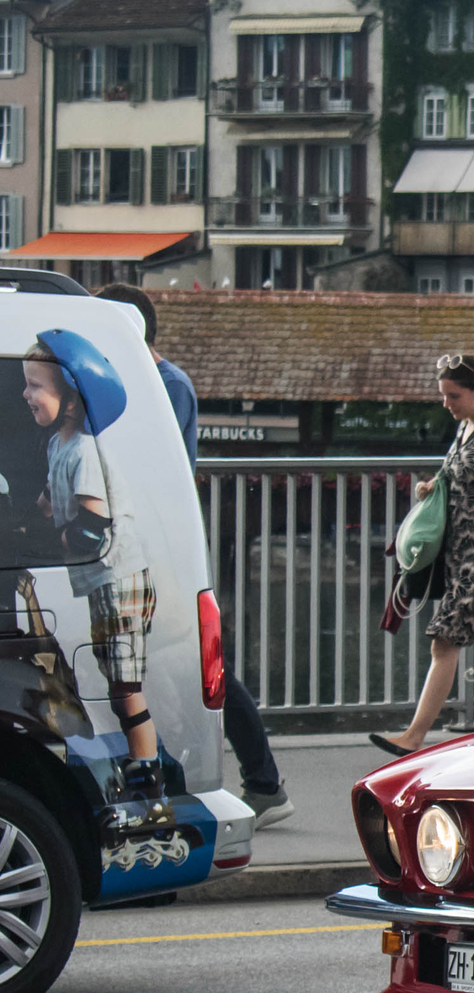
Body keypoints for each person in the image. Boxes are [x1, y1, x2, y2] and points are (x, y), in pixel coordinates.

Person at [94, 282, 292, 826]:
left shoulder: (166, 385)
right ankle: (196, 778)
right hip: (137, 545)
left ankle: (262, 781)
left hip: (158, 548)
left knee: (197, 665)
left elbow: (162, 469)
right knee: (161, 667)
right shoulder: (142, 380)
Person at [24, 333, 158, 803]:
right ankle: (140, 762)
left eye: (35, 386)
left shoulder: (84, 449)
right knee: (113, 675)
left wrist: (59, 536)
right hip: (103, 579)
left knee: (125, 686)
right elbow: (47, 500)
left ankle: (148, 770)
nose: (26, 395)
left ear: (71, 399)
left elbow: (92, 523)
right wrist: (30, 519)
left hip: (119, 577)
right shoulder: (57, 446)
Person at [372, 356, 474, 755]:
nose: (446, 404)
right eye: (443, 396)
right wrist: (431, 486)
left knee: (444, 640)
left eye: (453, 395)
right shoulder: (465, 430)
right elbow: (455, 478)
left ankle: (415, 735)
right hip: (461, 554)